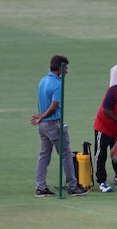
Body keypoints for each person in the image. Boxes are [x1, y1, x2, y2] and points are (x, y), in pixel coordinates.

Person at [30, 55, 89, 197]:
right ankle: (72, 186)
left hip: (43, 126)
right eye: (65, 68)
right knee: (66, 154)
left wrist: (41, 116)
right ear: (59, 68)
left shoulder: (43, 81)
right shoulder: (57, 84)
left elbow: (41, 102)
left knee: (44, 156)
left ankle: (40, 187)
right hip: (53, 124)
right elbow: (53, 106)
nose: (67, 71)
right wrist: (43, 116)